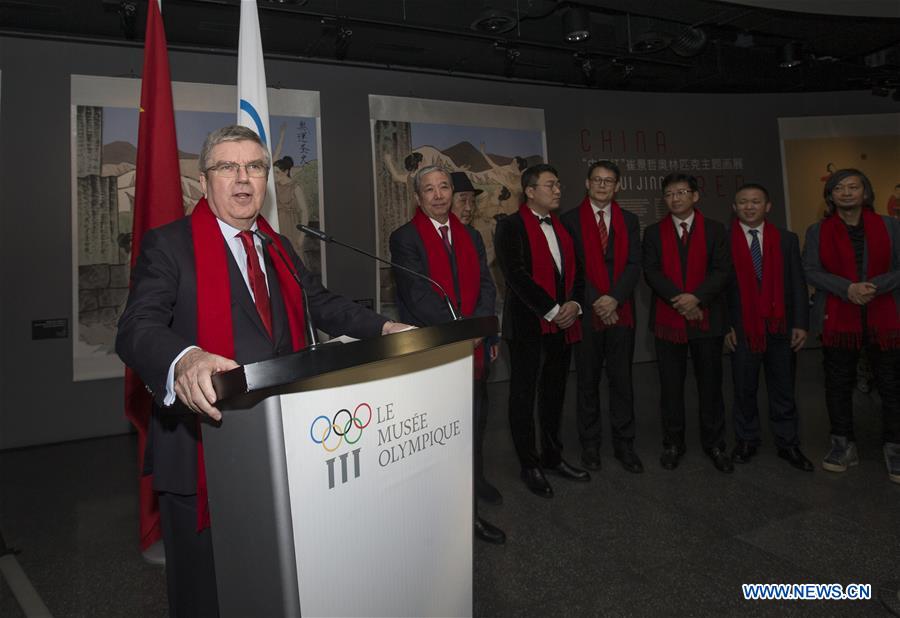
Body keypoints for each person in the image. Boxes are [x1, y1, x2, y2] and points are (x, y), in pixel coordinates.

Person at [116, 125, 410, 616]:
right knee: (203, 592)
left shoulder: (277, 246)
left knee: (272, 579)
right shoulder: (168, 245)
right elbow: (135, 327)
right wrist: (185, 358)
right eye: (227, 167)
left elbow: (320, 303)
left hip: (280, 443)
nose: (243, 178)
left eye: (254, 166)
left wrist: (384, 327)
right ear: (204, 180)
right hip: (200, 447)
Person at [388, 166, 506, 544]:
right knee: (438, 439)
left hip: (474, 351)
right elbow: (418, 297)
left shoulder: (470, 235)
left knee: (472, 427)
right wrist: (462, 334)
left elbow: (486, 286)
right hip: (433, 353)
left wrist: (481, 330)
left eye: (444, 188)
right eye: (430, 189)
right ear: (418, 197)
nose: (438, 195)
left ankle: (469, 509)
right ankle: (440, 515)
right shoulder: (405, 238)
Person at [494, 163, 590, 499]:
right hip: (528, 327)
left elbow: (579, 273)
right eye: (551, 185)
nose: (558, 190)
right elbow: (516, 275)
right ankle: (529, 464)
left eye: (559, 184)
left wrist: (574, 305)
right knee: (523, 397)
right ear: (530, 191)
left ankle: (553, 456)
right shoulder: (509, 226)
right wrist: (552, 310)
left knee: (554, 394)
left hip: (563, 326)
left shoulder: (564, 228)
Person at [802, 168, 900, 482]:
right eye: (839, 188)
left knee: (891, 384)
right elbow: (810, 270)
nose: (846, 193)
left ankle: (895, 446)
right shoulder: (818, 231)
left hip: (884, 315)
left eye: (853, 187)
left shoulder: (891, 226)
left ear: (865, 192)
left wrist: (874, 287)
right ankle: (842, 444)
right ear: (830, 196)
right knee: (838, 384)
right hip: (838, 316)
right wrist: (848, 289)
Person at [642, 172, 733, 473]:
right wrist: (681, 301)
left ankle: (715, 444)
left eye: (681, 192)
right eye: (669, 194)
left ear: (695, 196)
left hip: (707, 319)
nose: (675, 198)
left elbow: (722, 271)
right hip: (668, 321)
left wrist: (697, 299)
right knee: (670, 387)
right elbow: (651, 272)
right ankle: (673, 444)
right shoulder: (653, 233)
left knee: (711, 386)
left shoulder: (715, 230)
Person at [561, 160, 643, 473]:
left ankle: (625, 444)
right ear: (587, 183)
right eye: (597, 179)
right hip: (587, 311)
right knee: (587, 381)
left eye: (609, 181)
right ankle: (590, 445)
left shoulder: (630, 220)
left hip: (621, 311)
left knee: (622, 381)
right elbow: (573, 268)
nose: (602, 185)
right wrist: (598, 300)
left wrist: (614, 299)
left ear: (617, 186)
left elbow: (634, 264)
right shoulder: (570, 221)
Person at [724, 183, 813, 471]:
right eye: (743, 202)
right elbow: (719, 289)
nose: (749, 207)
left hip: (781, 327)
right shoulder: (723, 240)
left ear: (768, 206)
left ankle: (788, 443)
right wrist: (726, 325)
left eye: (756, 201)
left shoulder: (786, 239)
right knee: (744, 389)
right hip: (742, 328)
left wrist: (801, 323)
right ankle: (746, 440)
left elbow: (798, 283)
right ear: (734, 208)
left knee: (784, 388)